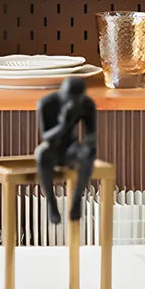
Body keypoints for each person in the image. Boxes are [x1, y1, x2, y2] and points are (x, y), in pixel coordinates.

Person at [35, 76, 97, 225]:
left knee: (88, 154)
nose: (73, 103)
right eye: (70, 98)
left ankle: (77, 200)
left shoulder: (86, 104)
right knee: (42, 154)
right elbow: (46, 136)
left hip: (71, 147)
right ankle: (51, 202)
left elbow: (91, 134)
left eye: (77, 99)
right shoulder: (47, 103)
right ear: (62, 93)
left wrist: (88, 146)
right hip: (53, 146)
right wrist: (64, 124)